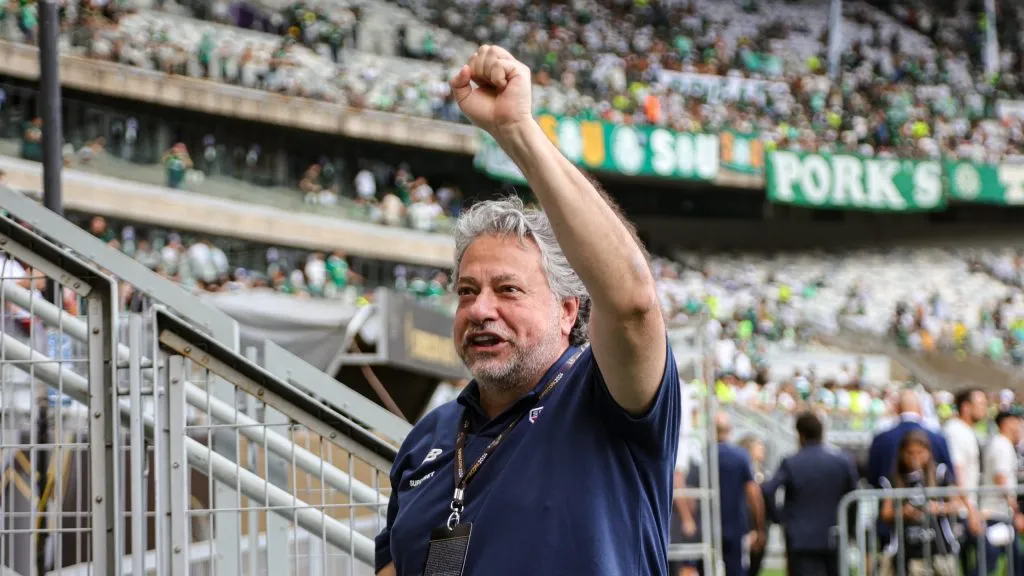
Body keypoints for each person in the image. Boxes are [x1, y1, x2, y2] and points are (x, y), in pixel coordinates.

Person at [374, 46, 681, 576]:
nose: (480, 309)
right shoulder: (427, 439)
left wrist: (517, 130)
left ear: (568, 311)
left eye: (508, 290)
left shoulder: (607, 395)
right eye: (467, 291)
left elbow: (632, 302)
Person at [762, 412, 859, 576]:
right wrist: (849, 528)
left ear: (800, 434)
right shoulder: (842, 462)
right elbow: (853, 498)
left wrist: (780, 518)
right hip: (834, 534)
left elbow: (768, 489)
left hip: (800, 538)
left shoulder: (792, 462)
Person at [878, 430, 973, 576]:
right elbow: (886, 513)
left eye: (920, 452)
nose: (915, 458)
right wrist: (903, 512)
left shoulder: (939, 473)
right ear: (902, 453)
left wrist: (938, 508)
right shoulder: (894, 479)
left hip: (939, 547)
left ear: (928, 452)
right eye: (910, 453)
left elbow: (957, 504)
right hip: (907, 549)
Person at [714, 413, 766, 576]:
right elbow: (754, 494)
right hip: (736, 526)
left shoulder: (705, 455)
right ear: (730, 430)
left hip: (709, 525)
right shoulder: (740, 456)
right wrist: (759, 527)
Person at [943, 387, 986, 576]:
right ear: (966, 407)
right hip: (960, 510)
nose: (985, 408)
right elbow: (956, 472)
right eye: (981, 404)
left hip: (965, 507)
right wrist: (970, 510)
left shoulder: (964, 430)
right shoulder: (955, 431)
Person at [979, 411, 1024, 576]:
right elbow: (1001, 478)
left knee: (1012, 561)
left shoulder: (1001, 444)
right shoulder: (1002, 445)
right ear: (1007, 423)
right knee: (992, 563)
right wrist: (1016, 512)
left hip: (998, 512)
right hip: (996, 513)